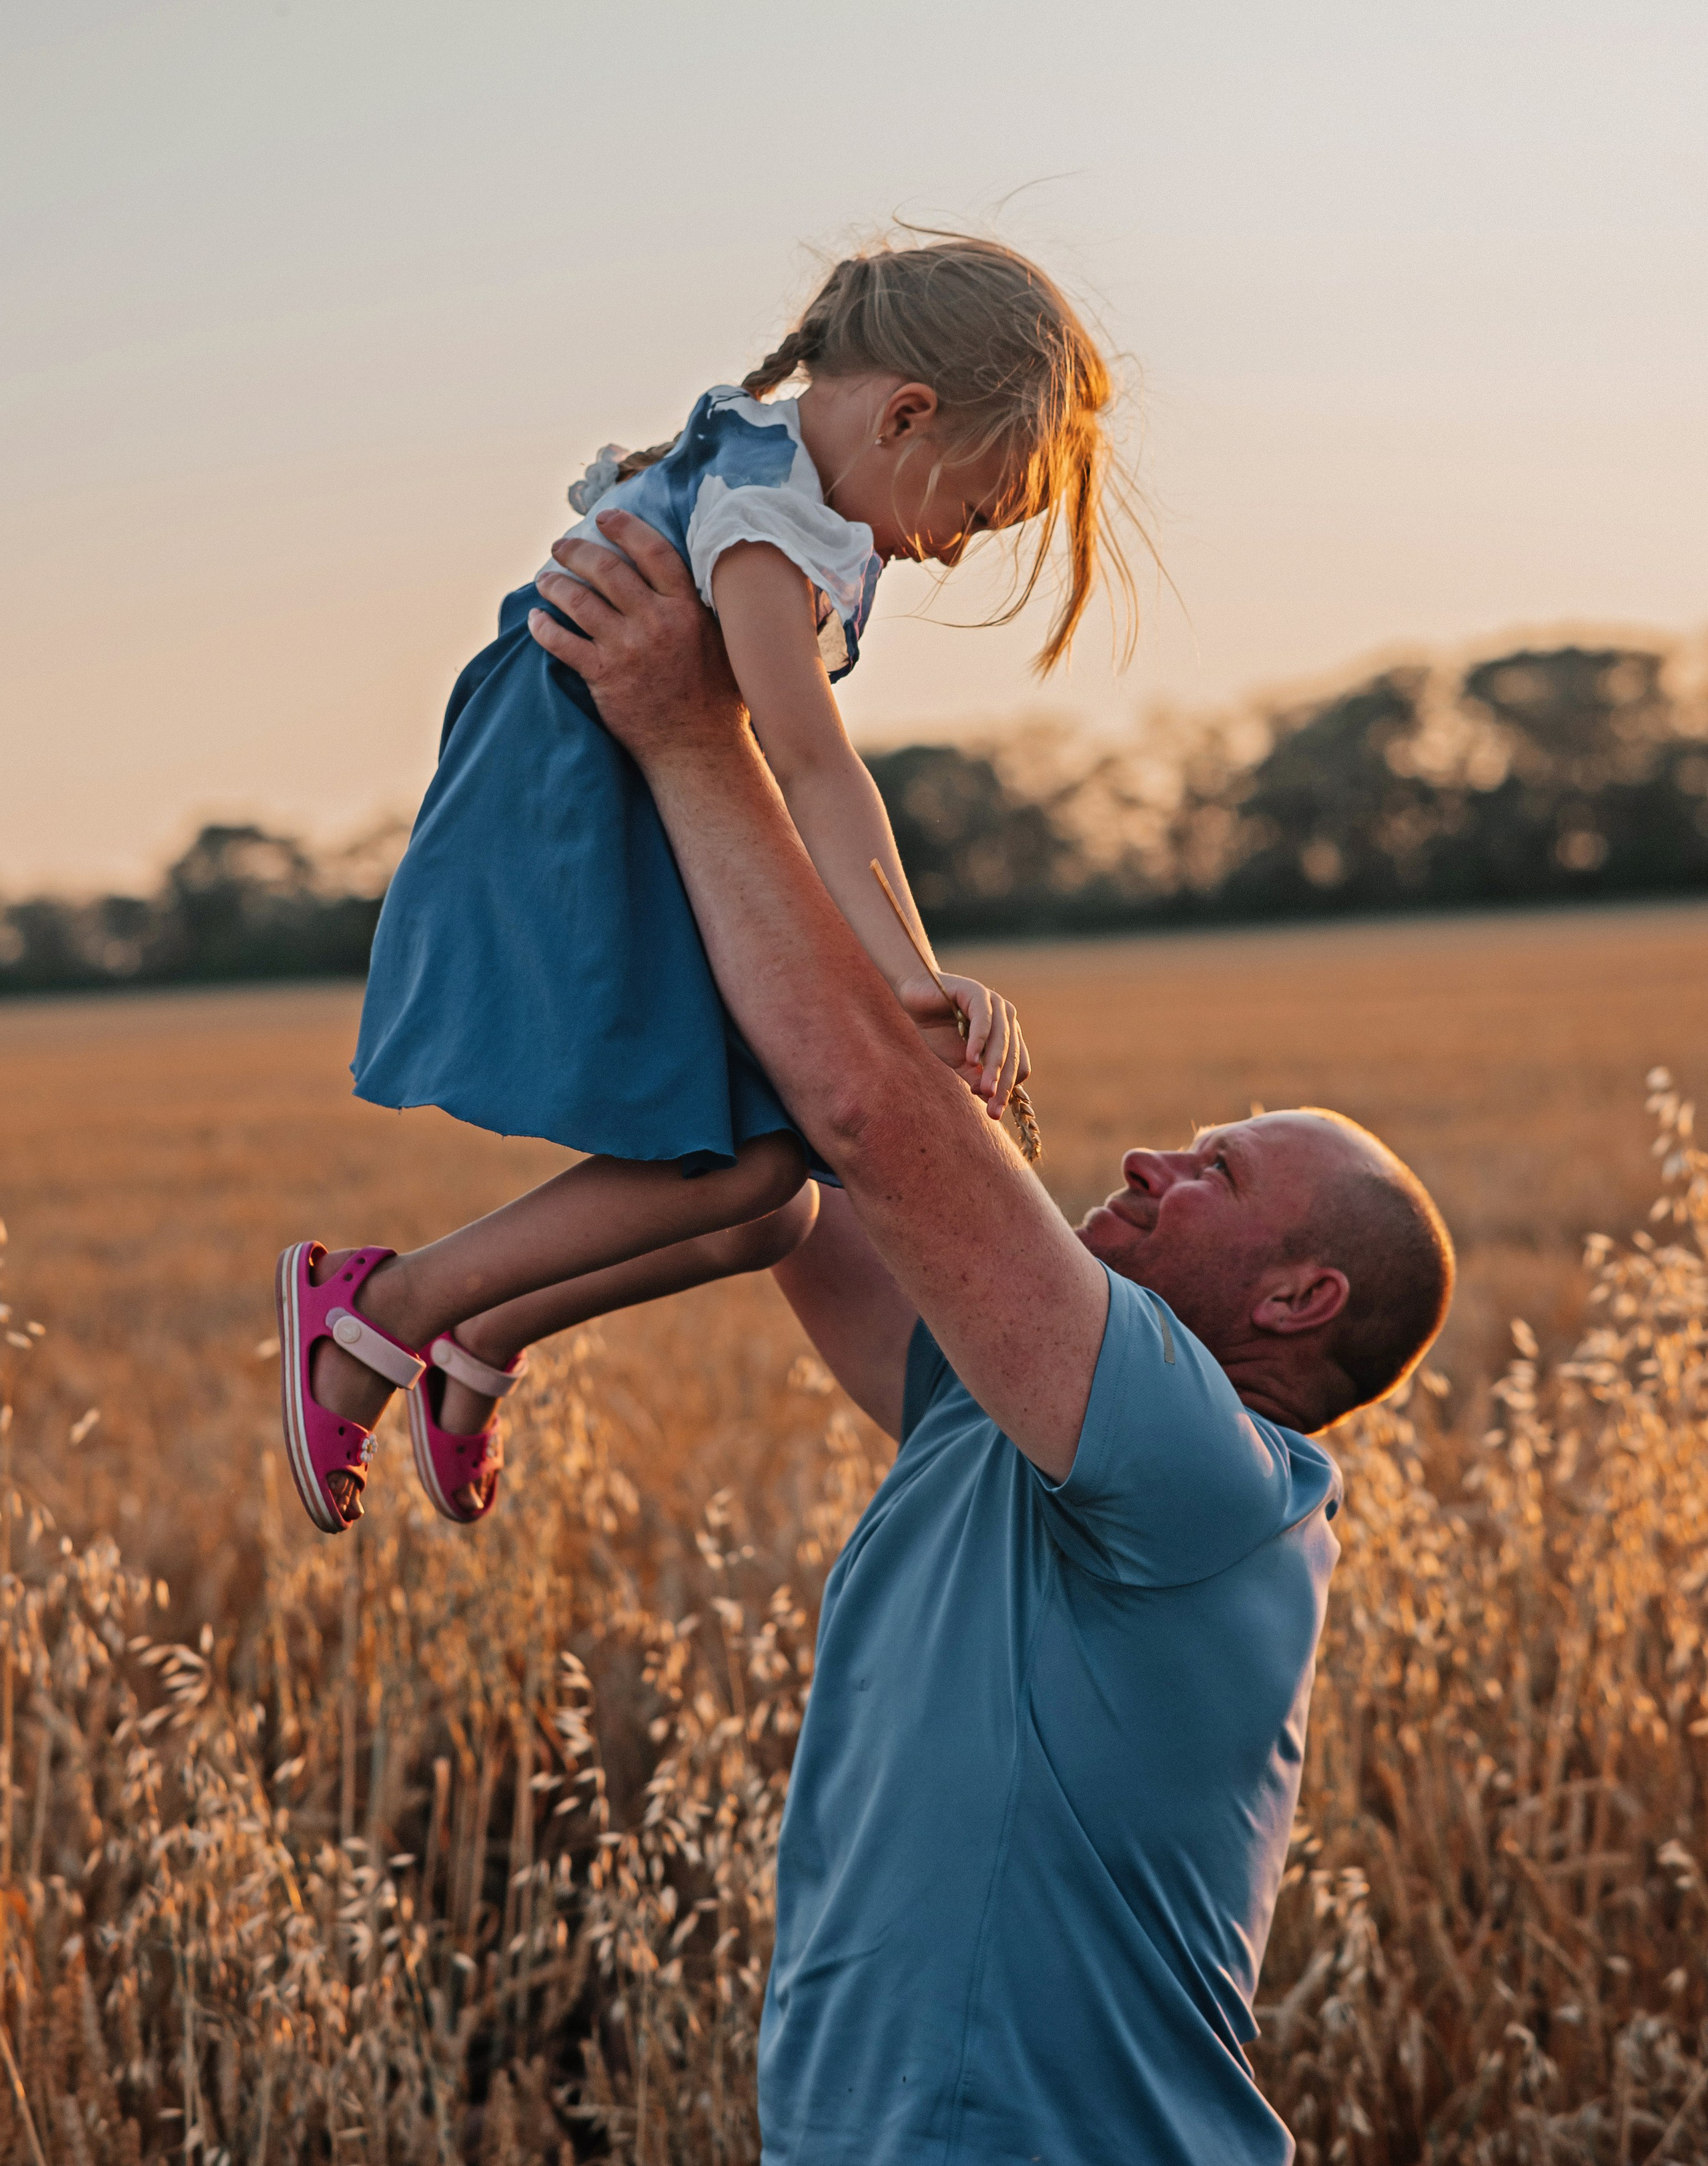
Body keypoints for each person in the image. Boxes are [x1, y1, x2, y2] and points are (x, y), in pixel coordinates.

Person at [520, 510, 1456, 2166]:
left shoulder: (1205, 1475)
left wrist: (694, 727)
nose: (1155, 1154)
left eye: (1218, 1168)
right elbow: (812, 1166)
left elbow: (867, 1118)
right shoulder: (998, 1413)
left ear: (1296, 1300)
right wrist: (659, 759)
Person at [276, 236, 1132, 1535]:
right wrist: (904, 978)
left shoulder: (779, 484)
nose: (953, 553)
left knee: (769, 1208)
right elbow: (809, 765)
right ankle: (376, 1309)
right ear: (905, 414)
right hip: (581, 800)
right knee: (742, 1173)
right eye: (972, 511)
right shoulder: (764, 529)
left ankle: (475, 1331)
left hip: (641, 789)